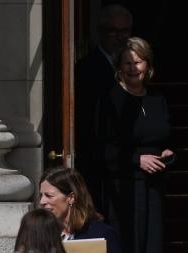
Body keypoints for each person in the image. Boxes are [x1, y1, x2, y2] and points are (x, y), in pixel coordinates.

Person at [94, 36, 173, 253]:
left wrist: (168, 154)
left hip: (154, 186)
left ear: (148, 65)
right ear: (119, 66)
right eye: (127, 63)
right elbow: (101, 149)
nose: (132, 68)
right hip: (124, 188)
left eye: (137, 62)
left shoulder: (157, 99)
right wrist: (137, 159)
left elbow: (166, 137)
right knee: (128, 250)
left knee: (152, 250)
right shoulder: (110, 99)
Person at [75, 3, 133, 207]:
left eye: (124, 31)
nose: (120, 37)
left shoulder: (135, 68)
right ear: (101, 32)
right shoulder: (86, 69)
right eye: (113, 31)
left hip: (128, 166)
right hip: (97, 163)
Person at [38, 167, 128, 253]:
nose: (42, 201)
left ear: (71, 198)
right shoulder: (42, 233)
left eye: (49, 196)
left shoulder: (101, 234)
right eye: (41, 195)